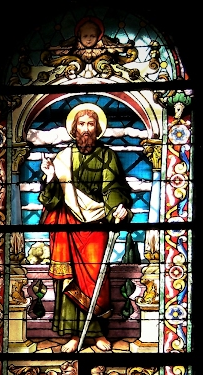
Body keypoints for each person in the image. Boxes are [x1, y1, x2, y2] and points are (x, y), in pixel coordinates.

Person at [38, 103, 133, 352]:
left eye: (91, 124)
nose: (86, 129)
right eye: (82, 124)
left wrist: (118, 208)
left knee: (96, 277)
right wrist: (50, 176)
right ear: (74, 128)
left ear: (98, 128)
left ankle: (98, 333)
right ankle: (73, 335)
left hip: (97, 225)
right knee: (69, 280)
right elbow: (51, 199)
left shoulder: (107, 156)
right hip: (68, 224)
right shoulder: (62, 158)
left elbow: (113, 187)